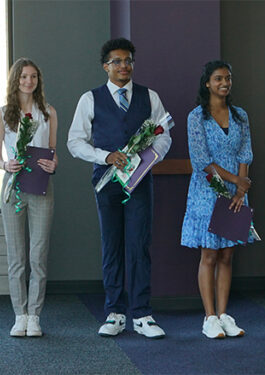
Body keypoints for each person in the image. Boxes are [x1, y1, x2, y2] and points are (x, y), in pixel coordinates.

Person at [67, 38, 172, 339]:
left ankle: (142, 314)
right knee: (112, 246)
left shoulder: (149, 97)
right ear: (105, 66)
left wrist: (148, 158)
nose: (124, 66)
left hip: (139, 182)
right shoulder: (90, 99)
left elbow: (164, 135)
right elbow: (74, 141)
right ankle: (114, 313)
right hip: (106, 182)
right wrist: (105, 156)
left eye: (128, 61)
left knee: (139, 245)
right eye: (117, 61)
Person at [180, 61, 253, 339]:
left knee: (227, 254)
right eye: (219, 78)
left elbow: (245, 153)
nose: (225, 83)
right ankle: (209, 317)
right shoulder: (196, 117)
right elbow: (201, 160)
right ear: (207, 83)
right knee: (209, 254)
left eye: (228, 78)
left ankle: (224, 315)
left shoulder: (240, 115)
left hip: (237, 194)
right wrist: (235, 181)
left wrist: (241, 190)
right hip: (207, 191)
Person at [0, 58, 58, 337]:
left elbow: (53, 152)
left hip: (41, 187)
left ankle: (35, 316)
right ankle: (20, 315)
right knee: (16, 256)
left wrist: (54, 164)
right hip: (13, 187)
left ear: (38, 80)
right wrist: (5, 164)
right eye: (23, 76)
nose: (28, 81)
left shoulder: (48, 112)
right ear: (15, 80)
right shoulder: (3, 114)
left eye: (33, 76)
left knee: (38, 256)